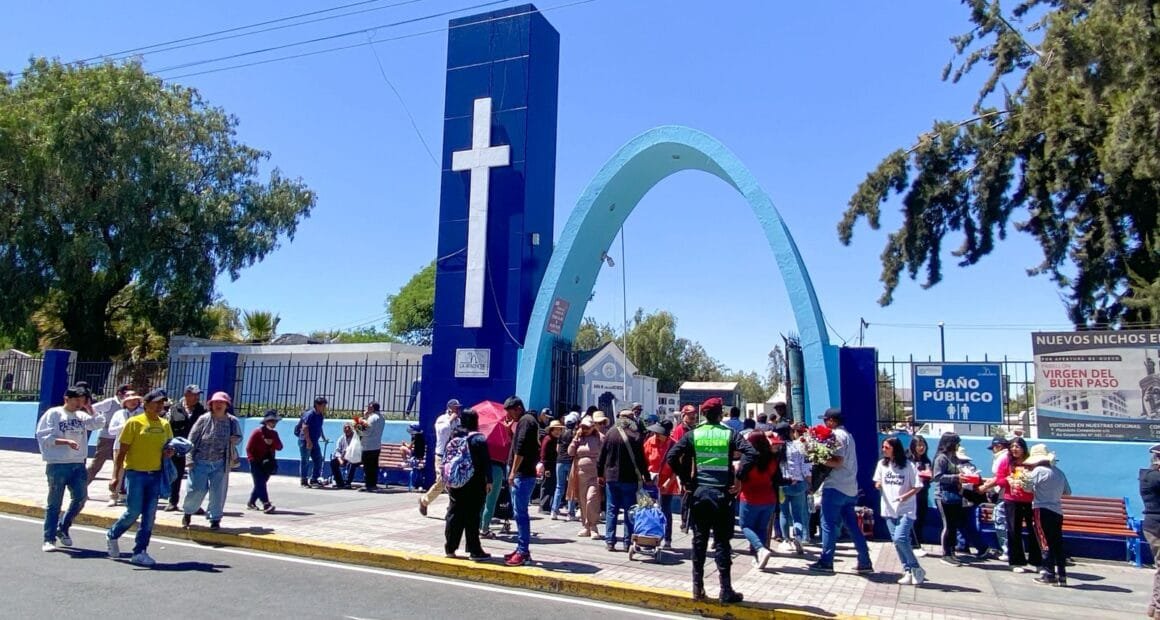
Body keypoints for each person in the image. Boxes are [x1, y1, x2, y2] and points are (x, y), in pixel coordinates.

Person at [667, 397, 757, 604]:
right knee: (723, 542)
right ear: (720, 414)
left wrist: (686, 480)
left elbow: (672, 456)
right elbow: (751, 453)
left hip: (700, 493)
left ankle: (697, 588)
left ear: (704, 415)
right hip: (722, 494)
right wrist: (739, 477)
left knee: (699, 542)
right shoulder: (729, 434)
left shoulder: (694, 434)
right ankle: (725, 590)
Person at [106, 389, 174, 567]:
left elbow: (168, 447)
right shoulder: (134, 423)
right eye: (156, 402)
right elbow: (122, 452)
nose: (159, 406)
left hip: (155, 474)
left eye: (162, 403)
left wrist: (169, 452)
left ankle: (140, 551)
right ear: (146, 404)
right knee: (133, 511)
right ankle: (113, 534)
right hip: (136, 474)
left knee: (149, 516)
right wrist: (115, 476)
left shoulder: (165, 424)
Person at [36, 385, 105, 552]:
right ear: (67, 399)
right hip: (57, 464)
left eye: (83, 400)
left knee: (80, 498)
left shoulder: (81, 415)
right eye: (77, 400)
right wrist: (66, 442)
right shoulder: (54, 413)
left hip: (78, 463)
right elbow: (44, 436)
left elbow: (98, 423)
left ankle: (63, 527)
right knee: (54, 503)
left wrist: (90, 408)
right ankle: (48, 538)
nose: (80, 403)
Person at [808, 408, 873, 574]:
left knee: (828, 524)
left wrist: (817, 457)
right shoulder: (849, 436)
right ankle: (865, 560)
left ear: (832, 421)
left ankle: (826, 561)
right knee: (852, 526)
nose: (824, 423)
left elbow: (837, 461)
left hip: (835, 486)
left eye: (825, 420)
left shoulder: (837, 436)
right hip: (850, 488)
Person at [181, 391, 241, 530]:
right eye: (216, 402)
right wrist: (189, 458)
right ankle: (188, 512)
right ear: (211, 405)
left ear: (227, 405)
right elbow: (191, 439)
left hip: (221, 463)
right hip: (200, 461)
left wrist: (235, 439)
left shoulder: (232, 421)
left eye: (222, 402)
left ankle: (215, 519)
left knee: (218, 492)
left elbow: (239, 437)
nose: (218, 405)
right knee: (196, 490)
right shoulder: (204, 419)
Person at [874, 436, 926, 585]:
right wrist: (878, 484)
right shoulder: (882, 464)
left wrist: (905, 496)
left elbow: (917, 486)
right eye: (883, 447)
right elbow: (877, 480)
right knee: (897, 542)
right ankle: (908, 570)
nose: (884, 450)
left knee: (900, 538)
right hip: (888, 508)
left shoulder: (908, 466)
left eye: (887, 447)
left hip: (906, 509)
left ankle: (916, 567)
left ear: (895, 449)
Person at [597, 410, 651, 552]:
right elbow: (641, 459)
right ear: (630, 420)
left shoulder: (610, 433)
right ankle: (628, 542)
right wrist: (647, 477)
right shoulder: (635, 435)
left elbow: (601, 456)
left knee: (611, 509)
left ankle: (610, 541)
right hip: (629, 478)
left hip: (611, 477)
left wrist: (600, 474)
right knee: (629, 511)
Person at [443, 408, 492, 561]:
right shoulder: (479, 439)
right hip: (475, 482)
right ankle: (474, 550)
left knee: (454, 513)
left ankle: (450, 548)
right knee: (472, 516)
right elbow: (486, 462)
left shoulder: (455, 435)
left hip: (456, 481)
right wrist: (489, 480)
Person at [1021, 444, 1071, 586]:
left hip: (1041, 509)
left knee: (1044, 542)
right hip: (1057, 511)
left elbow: (1027, 488)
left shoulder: (1038, 471)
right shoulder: (1059, 472)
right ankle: (1062, 575)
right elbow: (1067, 492)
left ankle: (1049, 574)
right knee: (1057, 542)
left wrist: (1024, 481)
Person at [994, 436, 1042, 572]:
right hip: (1012, 499)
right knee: (1014, 530)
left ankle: (1037, 561)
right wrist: (1007, 480)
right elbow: (999, 479)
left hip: (1031, 500)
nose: (1014, 449)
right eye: (1012, 447)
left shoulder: (1031, 461)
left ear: (1023, 448)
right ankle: (1016, 562)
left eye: (1017, 446)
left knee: (1034, 531)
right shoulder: (1006, 461)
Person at [504, 396, 540, 567]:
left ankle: (523, 551)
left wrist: (513, 472)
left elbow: (521, 448)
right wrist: (510, 430)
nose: (509, 416)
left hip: (522, 475)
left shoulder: (526, 421)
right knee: (519, 513)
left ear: (518, 408)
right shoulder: (526, 421)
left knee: (521, 514)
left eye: (510, 412)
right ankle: (521, 548)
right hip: (523, 474)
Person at [738, 431, 779, 570]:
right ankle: (759, 556)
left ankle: (760, 549)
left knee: (746, 526)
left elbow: (740, 475)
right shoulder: (772, 457)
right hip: (769, 497)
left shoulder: (749, 457)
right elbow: (777, 478)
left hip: (750, 497)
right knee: (761, 528)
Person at [163, 384, 206, 511]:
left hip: (195, 448)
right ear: (186, 395)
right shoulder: (174, 409)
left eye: (198, 395)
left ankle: (194, 505)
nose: (197, 397)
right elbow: (168, 427)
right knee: (176, 475)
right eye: (194, 395)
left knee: (196, 478)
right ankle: (173, 501)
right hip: (178, 448)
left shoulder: (202, 410)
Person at [932, 432, 971, 566]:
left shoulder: (954, 457)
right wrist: (955, 478)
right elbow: (937, 477)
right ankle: (946, 554)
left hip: (956, 496)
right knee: (947, 525)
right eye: (956, 442)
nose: (958, 445)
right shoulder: (941, 458)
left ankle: (952, 551)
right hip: (943, 496)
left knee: (954, 525)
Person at [420, 399, 461, 515]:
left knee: (455, 482)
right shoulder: (442, 419)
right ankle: (424, 501)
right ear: (450, 408)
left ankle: (452, 507)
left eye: (458, 408)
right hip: (441, 455)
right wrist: (450, 420)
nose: (458, 410)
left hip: (453, 456)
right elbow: (442, 432)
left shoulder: (458, 421)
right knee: (441, 482)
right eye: (456, 407)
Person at [103, 391, 143, 506]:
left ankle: (133, 496)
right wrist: (126, 425)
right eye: (129, 400)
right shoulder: (119, 414)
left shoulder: (142, 413)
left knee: (135, 472)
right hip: (120, 446)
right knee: (118, 471)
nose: (133, 402)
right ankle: (113, 496)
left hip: (137, 446)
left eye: (135, 400)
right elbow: (111, 431)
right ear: (125, 402)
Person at [86, 383, 131, 485]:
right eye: (126, 393)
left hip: (121, 438)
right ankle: (83, 484)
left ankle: (120, 488)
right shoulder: (110, 402)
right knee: (97, 463)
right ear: (119, 393)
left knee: (122, 465)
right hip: (107, 437)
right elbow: (92, 408)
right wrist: (102, 421)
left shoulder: (129, 405)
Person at [643, 422, 678, 549]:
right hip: (650, 482)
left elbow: (677, 468)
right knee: (648, 510)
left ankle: (667, 539)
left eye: (659, 433)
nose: (656, 435)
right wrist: (644, 476)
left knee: (665, 510)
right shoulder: (649, 442)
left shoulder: (674, 445)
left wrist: (668, 482)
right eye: (655, 432)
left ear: (666, 434)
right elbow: (643, 461)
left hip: (667, 483)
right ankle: (649, 538)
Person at [568, 415, 604, 539]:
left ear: (593, 427)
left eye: (587, 427)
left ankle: (593, 526)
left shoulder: (599, 437)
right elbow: (570, 452)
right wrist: (575, 439)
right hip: (580, 474)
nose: (585, 429)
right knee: (582, 500)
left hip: (595, 473)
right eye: (582, 427)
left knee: (591, 499)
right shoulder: (579, 438)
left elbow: (605, 452)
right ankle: (585, 526)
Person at [778, 422, 810, 555]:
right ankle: (798, 537)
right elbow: (806, 468)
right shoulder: (799, 446)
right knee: (797, 514)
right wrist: (810, 483)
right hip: (798, 484)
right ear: (790, 432)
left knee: (784, 513)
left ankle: (786, 540)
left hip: (781, 485)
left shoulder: (777, 448)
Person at [246, 410, 283, 513]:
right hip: (255, 462)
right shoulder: (257, 432)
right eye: (271, 421)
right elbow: (249, 448)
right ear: (266, 422)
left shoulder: (274, 434)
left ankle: (251, 502)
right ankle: (266, 504)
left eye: (275, 421)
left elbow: (280, 447)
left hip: (268, 463)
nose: (273, 423)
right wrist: (252, 460)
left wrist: (272, 443)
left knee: (260, 484)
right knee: (260, 483)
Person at [1139, 444, 1160, 617]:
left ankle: (1154, 607)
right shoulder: (1154, 478)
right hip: (1157, 526)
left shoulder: (1149, 476)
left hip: (1152, 526)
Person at [671, 404, 698, 534]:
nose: (693, 418)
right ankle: (685, 521)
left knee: (694, 495)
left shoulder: (695, 429)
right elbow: (677, 451)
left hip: (695, 465)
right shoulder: (680, 430)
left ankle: (692, 520)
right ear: (684, 416)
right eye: (690, 416)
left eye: (694, 416)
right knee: (686, 495)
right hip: (684, 466)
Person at [984, 436, 1011, 560]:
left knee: (1000, 522)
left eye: (993, 448)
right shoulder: (1008, 457)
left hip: (1003, 495)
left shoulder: (1002, 458)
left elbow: (999, 478)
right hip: (1005, 494)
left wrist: (985, 487)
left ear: (998, 446)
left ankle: (1007, 551)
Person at [551, 412, 580, 521]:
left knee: (559, 486)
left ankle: (554, 511)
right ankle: (571, 513)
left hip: (560, 461)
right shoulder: (575, 434)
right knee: (571, 487)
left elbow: (557, 449)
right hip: (570, 462)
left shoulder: (561, 434)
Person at [907, 435, 933, 556]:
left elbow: (930, 477)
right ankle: (913, 544)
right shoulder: (908, 460)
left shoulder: (926, 461)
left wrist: (929, 476)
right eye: (919, 445)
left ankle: (918, 542)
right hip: (911, 493)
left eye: (923, 445)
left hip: (923, 493)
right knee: (912, 519)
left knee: (921, 518)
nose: (921, 448)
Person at [297, 397, 327, 488]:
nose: (324, 407)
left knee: (318, 459)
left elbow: (319, 427)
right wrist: (308, 441)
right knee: (305, 460)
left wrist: (323, 437)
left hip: (315, 441)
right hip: (305, 441)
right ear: (317, 405)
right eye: (323, 405)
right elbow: (305, 427)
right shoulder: (310, 414)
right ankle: (304, 481)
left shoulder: (320, 415)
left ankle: (314, 479)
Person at [538, 419, 563, 514]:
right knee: (546, 486)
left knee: (552, 485)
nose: (558, 431)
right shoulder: (548, 439)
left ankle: (549, 505)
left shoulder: (555, 440)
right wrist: (546, 467)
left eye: (559, 429)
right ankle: (543, 506)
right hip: (548, 466)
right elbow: (543, 454)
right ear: (551, 430)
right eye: (556, 429)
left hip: (553, 465)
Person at [360, 401, 385, 492]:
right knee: (374, 466)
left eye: (369, 407)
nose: (367, 409)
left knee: (367, 467)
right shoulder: (382, 418)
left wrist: (360, 426)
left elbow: (367, 432)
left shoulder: (372, 418)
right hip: (376, 445)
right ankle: (373, 484)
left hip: (368, 446)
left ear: (372, 408)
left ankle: (368, 485)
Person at [330, 423, 358, 489]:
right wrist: (340, 459)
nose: (347, 429)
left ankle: (348, 483)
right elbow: (337, 451)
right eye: (345, 428)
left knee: (352, 462)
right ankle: (340, 483)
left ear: (352, 429)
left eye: (349, 428)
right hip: (343, 457)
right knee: (333, 463)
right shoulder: (341, 439)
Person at [403, 424, 427, 492]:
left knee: (402, 448)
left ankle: (406, 462)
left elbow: (410, 447)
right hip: (419, 456)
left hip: (417, 457)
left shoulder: (416, 437)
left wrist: (404, 444)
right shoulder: (421, 437)